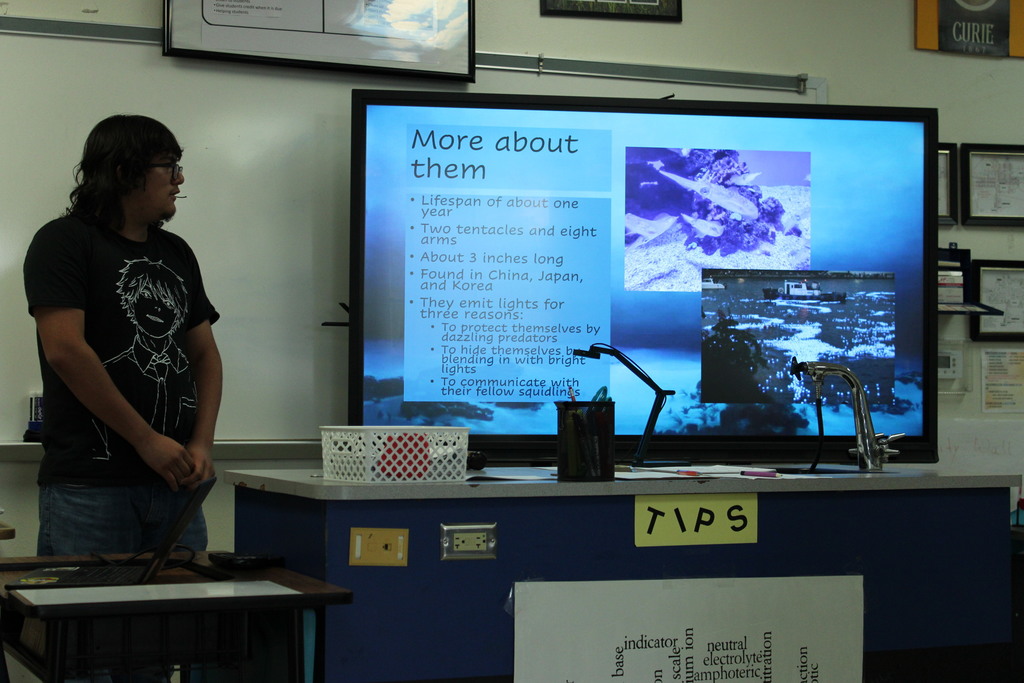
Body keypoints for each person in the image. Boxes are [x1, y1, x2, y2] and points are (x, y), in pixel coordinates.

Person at [22, 114, 222, 682]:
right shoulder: (63, 242)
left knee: (159, 658)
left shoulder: (176, 252)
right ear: (124, 170)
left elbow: (205, 354)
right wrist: (147, 440)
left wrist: (201, 441)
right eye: (169, 166)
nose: (179, 179)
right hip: (91, 489)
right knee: (83, 657)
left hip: (175, 485)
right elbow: (66, 350)